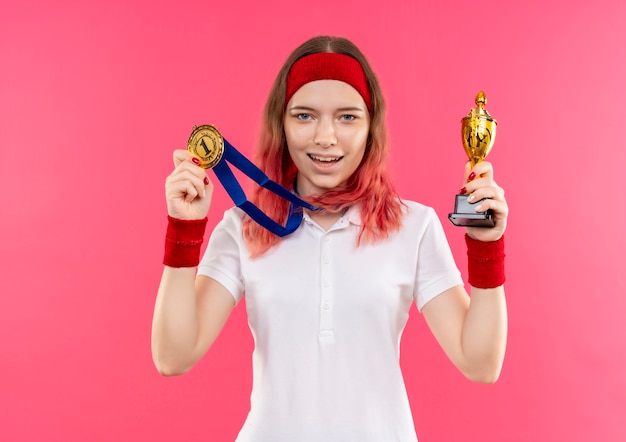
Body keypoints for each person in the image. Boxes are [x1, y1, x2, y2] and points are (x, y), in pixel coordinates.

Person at [152, 35, 508, 441]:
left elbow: (480, 363)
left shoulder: (415, 226)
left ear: (371, 125)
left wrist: (486, 249)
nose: (325, 136)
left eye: (347, 117)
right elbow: (173, 356)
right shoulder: (243, 227)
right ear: (281, 124)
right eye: (304, 116)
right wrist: (184, 227)